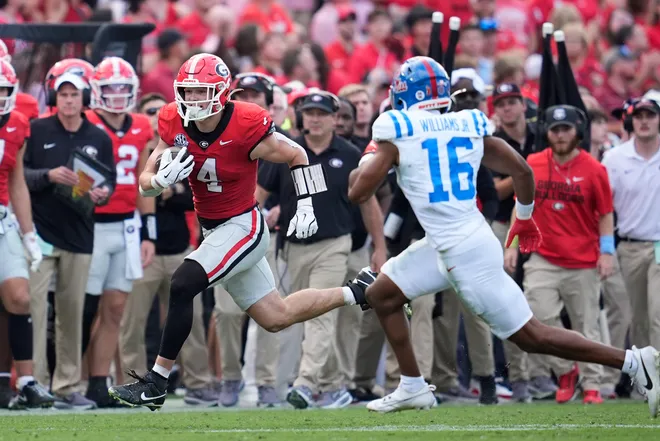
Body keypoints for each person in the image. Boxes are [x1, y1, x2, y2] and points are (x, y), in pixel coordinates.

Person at [347, 55, 660, 416]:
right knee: (382, 295)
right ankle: (413, 386)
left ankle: (634, 362)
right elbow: (523, 171)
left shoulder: (395, 130)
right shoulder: (465, 123)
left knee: (532, 336)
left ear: (403, 94)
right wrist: (524, 218)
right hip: (457, 239)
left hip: (462, 251)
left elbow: (358, 192)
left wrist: (372, 154)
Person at [107, 53, 370, 410]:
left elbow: (297, 154)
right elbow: (145, 181)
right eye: (187, 91)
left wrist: (306, 204)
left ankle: (157, 381)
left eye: (201, 92)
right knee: (276, 316)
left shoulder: (246, 122)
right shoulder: (172, 120)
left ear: (221, 92)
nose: (193, 100)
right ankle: (358, 291)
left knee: (184, 282)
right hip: (214, 231)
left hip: (243, 225)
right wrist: (157, 181)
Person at [83, 57, 156, 407]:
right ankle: (73, 380)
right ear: (97, 91)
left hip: (127, 225)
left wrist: (148, 234)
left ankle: (98, 383)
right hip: (91, 225)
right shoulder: (87, 122)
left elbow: (146, 182)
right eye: (108, 88)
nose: (115, 95)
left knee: (115, 309)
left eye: (121, 89)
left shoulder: (142, 125)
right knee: (84, 310)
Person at [0, 59, 53, 409]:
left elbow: (17, 181)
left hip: (3, 218)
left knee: (19, 297)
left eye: (3, 90)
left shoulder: (18, 123)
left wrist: (29, 232)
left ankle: (29, 381)